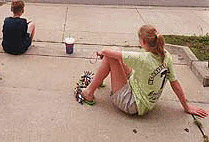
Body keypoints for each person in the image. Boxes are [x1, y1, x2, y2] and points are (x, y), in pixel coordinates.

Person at [79, 24, 208, 117]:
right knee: (115, 53)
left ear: (143, 42)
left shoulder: (143, 59)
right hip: (147, 101)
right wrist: (186, 106)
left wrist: (101, 52)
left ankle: (88, 93)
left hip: (131, 103)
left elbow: (108, 52)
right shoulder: (166, 56)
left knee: (110, 57)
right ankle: (99, 79)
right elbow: (175, 84)